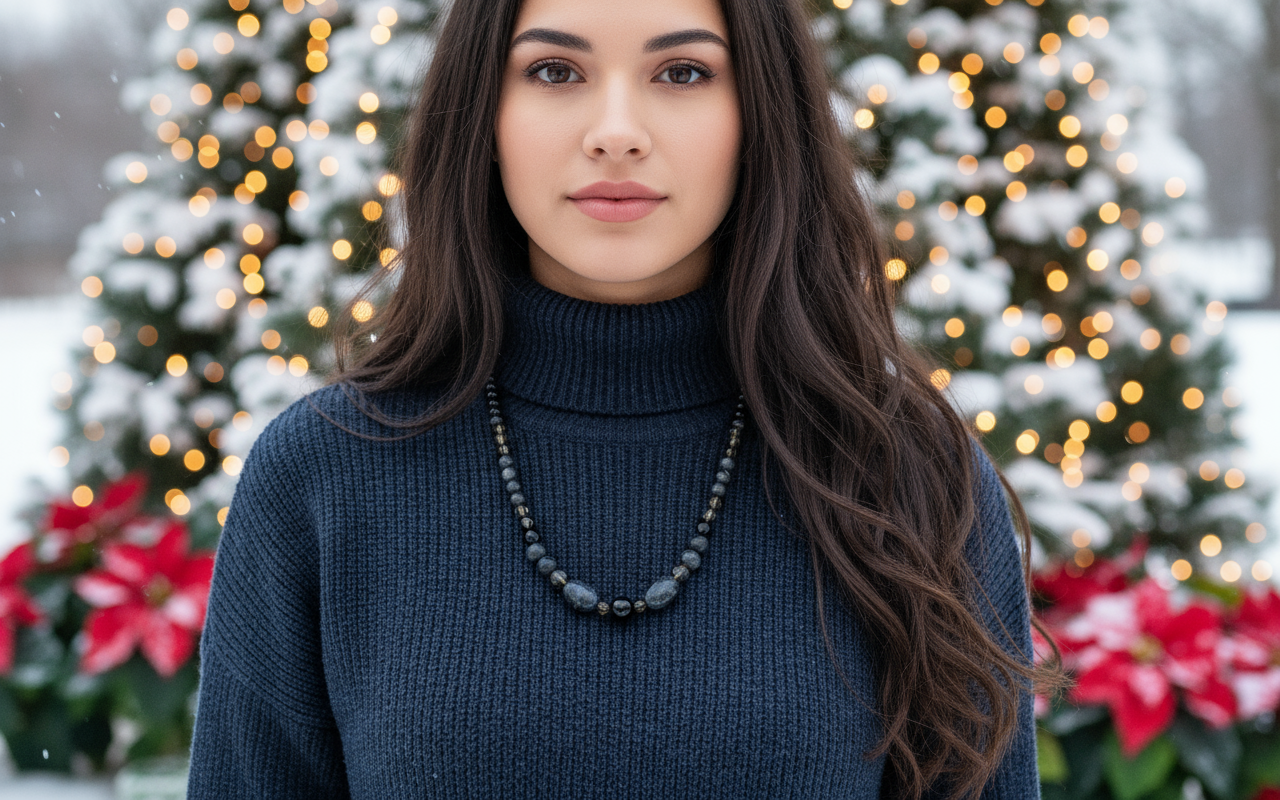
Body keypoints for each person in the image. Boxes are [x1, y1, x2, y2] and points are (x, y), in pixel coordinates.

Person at [186, 0, 1065, 796]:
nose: (616, 132)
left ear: (761, 112)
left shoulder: (906, 471)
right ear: (483, 112)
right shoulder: (324, 475)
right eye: (555, 72)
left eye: (681, 73)